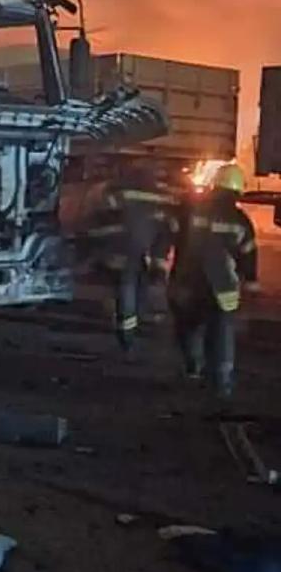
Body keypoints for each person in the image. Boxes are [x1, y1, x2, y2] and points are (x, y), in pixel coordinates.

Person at [168, 163, 258, 399]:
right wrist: (250, 282)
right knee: (222, 334)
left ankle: (194, 366)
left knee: (188, 327)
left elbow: (171, 234)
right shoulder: (240, 220)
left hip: (188, 282)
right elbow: (248, 254)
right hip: (223, 288)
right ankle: (223, 383)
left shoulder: (191, 209)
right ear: (236, 191)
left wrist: (160, 266)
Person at [86, 164, 178, 351]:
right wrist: (159, 265)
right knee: (136, 284)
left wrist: (102, 250)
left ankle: (127, 334)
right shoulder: (163, 198)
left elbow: (100, 219)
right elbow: (164, 233)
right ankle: (130, 332)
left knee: (126, 287)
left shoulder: (116, 191)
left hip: (120, 248)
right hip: (139, 250)